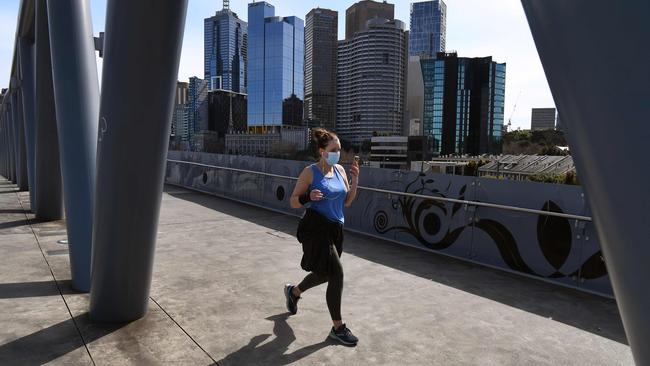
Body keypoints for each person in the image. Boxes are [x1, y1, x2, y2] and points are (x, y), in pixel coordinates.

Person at [285, 128, 360, 346]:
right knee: (337, 273)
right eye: (334, 149)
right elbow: (293, 200)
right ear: (322, 151)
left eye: (339, 149)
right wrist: (308, 196)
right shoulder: (310, 172)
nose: (339, 153)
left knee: (325, 274)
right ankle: (338, 328)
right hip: (316, 228)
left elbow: (346, 202)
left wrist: (355, 181)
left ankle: (294, 292)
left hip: (335, 229)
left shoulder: (340, 171)